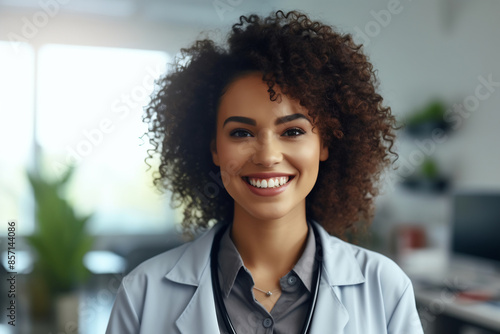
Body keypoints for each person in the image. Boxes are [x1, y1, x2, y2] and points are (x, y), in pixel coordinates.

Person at [106, 10, 424, 334]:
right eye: (241, 133)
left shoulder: (387, 289)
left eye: (293, 131)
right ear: (214, 148)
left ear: (325, 143)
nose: (268, 156)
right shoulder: (142, 293)